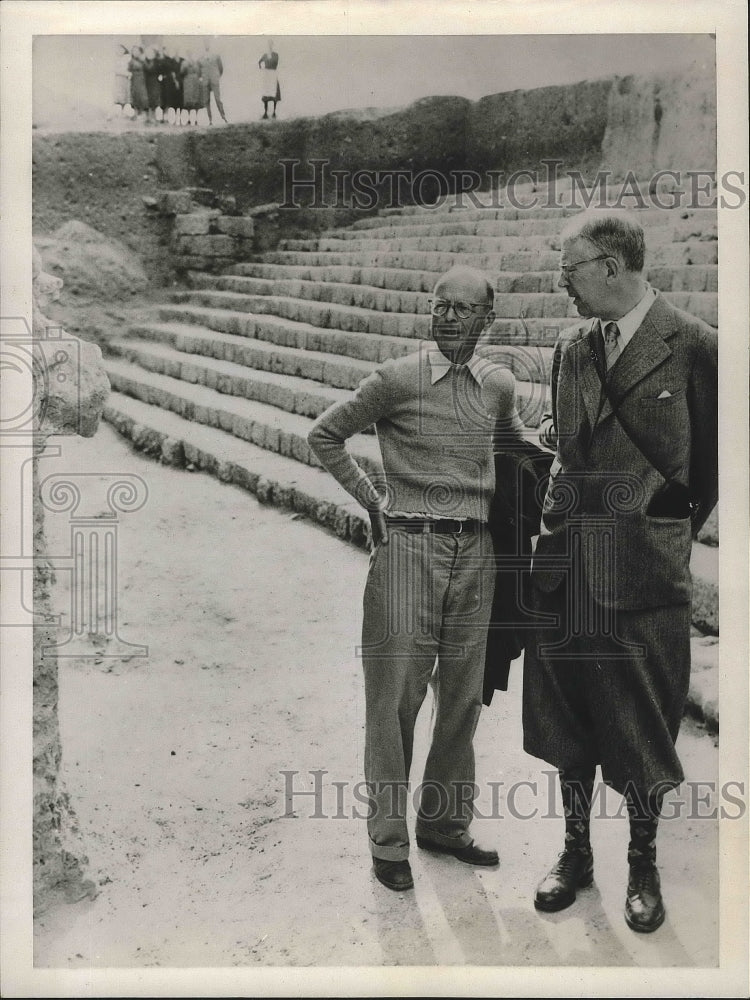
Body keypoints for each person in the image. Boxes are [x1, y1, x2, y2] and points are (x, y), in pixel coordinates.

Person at [522, 209, 718, 932]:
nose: (560, 283)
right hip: (568, 560)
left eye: (568, 268)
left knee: (643, 721)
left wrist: (665, 536)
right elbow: (566, 455)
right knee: (566, 713)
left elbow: (712, 473)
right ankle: (575, 851)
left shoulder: (696, 345)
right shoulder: (572, 349)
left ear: (609, 266)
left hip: (643, 570)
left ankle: (643, 859)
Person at [309, 266, 523, 892]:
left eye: (465, 309)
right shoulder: (395, 379)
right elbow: (325, 434)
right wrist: (373, 500)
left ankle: (444, 826)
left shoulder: (498, 387)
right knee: (394, 702)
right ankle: (388, 841)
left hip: (476, 555)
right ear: (430, 312)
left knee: (462, 698)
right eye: (441, 305)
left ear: (488, 320)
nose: (451, 317)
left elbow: (508, 447)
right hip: (408, 552)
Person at [199, 38, 228, 125]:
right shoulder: (201, 57)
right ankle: (210, 120)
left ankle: (223, 117)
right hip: (205, 81)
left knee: (217, 99)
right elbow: (199, 69)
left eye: (207, 43)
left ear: (210, 44)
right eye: (205, 43)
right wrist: (201, 77)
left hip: (214, 80)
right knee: (206, 101)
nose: (206, 45)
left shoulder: (216, 55)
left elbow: (221, 68)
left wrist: (217, 76)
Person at [258, 38, 281, 119]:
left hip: (272, 74)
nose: (270, 46)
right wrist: (261, 68)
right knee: (267, 95)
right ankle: (266, 113)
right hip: (269, 75)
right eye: (269, 45)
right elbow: (259, 62)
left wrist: (263, 66)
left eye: (270, 44)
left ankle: (273, 112)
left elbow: (275, 63)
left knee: (273, 94)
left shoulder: (275, 55)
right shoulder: (268, 55)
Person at [127, 45, 149, 123]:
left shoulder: (144, 60)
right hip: (134, 80)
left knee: (143, 96)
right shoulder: (131, 61)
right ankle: (135, 114)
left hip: (143, 80)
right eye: (134, 51)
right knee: (135, 95)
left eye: (137, 51)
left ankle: (145, 114)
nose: (135, 52)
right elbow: (128, 70)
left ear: (140, 52)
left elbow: (147, 68)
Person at [180, 50, 202, 126]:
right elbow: (181, 72)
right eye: (188, 54)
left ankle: (196, 119)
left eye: (190, 53)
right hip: (187, 81)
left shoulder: (196, 62)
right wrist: (185, 68)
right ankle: (189, 119)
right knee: (188, 100)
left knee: (195, 99)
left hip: (195, 81)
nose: (190, 55)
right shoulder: (184, 63)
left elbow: (199, 72)